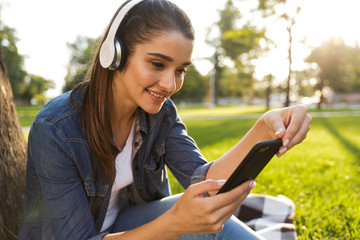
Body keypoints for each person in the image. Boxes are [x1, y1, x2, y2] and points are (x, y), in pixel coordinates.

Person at [18, 0, 312, 239]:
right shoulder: (55, 129)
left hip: (131, 226)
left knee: (209, 218)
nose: (171, 85)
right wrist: (176, 223)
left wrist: (263, 127)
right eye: (157, 64)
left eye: (181, 70)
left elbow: (204, 179)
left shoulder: (160, 113)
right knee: (189, 218)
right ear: (115, 55)